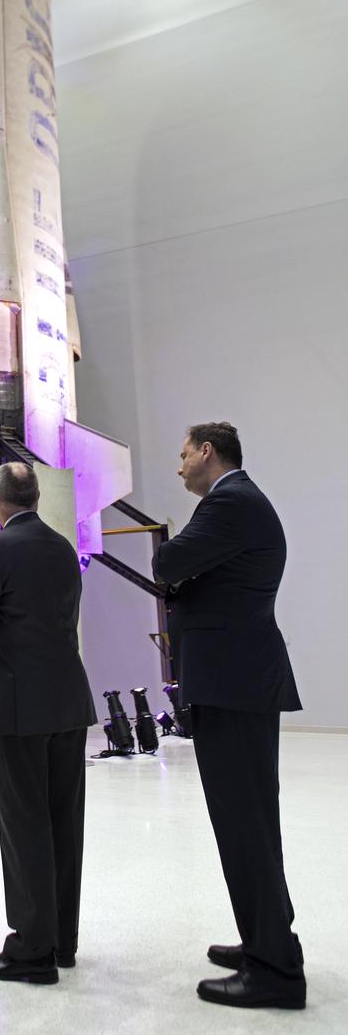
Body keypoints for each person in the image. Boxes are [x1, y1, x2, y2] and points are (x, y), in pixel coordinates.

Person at [153, 422, 305, 1010]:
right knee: (250, 824)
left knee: (245, 825)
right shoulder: (239, 503)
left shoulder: (230, 504)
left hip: (235, 684)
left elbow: (168, 562)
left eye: (184, 452)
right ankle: (268, 940)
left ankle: (275, 972)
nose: (179, 464)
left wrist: (177, 566)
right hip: (237, 681)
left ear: (207, 452)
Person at [0, 461, 96, 985]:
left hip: (15, 707)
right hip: (66, 703)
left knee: (24, 825)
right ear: (35, 496)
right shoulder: (63, 548)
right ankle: (62, 941)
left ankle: (31, 949)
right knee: (63, 823)